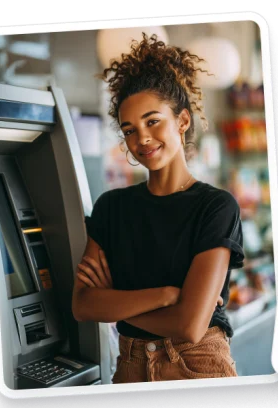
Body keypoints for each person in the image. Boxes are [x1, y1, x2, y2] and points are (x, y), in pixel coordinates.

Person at [71, 34, 244, 384]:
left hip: (197, 365)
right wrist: (168, 296)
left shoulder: (215, 206)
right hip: (130, 365)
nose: (142, 139)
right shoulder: (112, 207)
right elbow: (84, 306)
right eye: (130, 130)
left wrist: (118, 301)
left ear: (181, 121)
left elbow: (190, 326)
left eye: (153, 121)